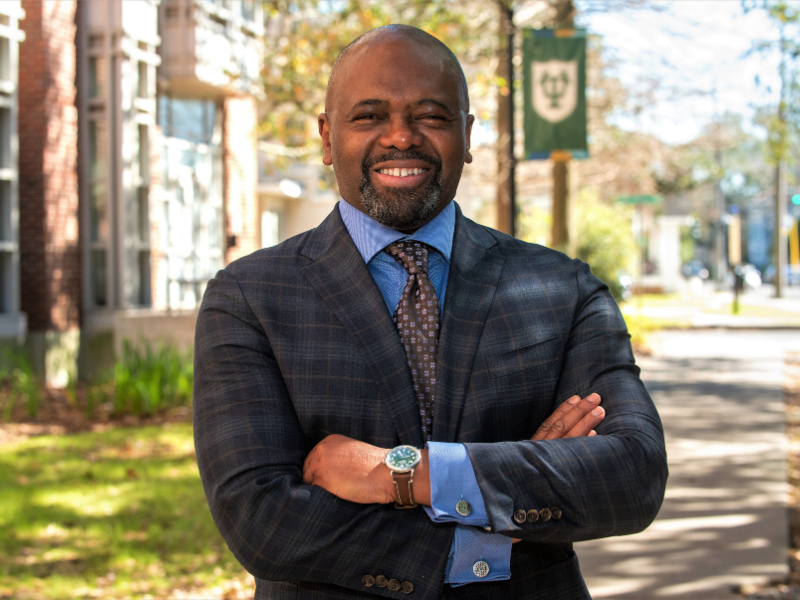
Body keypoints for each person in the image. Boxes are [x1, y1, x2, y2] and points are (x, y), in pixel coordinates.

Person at [193, 24, 667, 600]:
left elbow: (631, 474)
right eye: (369, 115)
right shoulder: (249, 297)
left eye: (432, 116)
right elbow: (261, 521)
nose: (400, 137)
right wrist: (494, 526)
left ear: (466, 135)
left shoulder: (562, 289)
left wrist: (405, 474)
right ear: (325, 137)